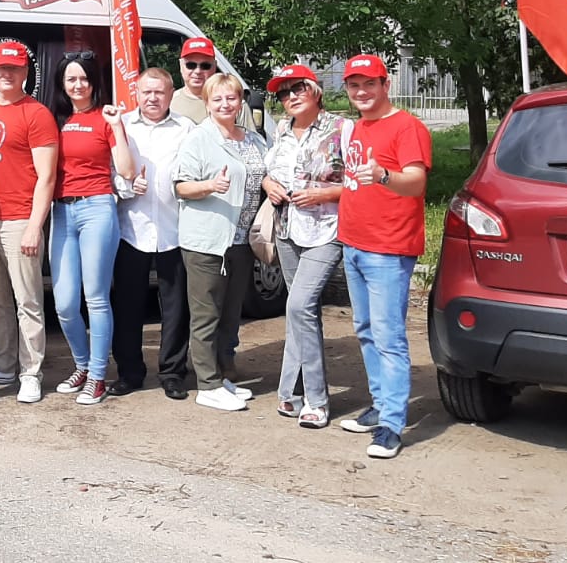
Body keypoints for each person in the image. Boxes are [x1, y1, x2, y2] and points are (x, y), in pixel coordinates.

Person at [336, 53, 432, 459]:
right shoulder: (359, 126)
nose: (362, 91)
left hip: (388, 248)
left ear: (385, 84)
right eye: (354, 85)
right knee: (366, 329)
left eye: (369, 84)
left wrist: (383, 176)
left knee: (390, 337)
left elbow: (416, 183)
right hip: (354, 243)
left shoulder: (407, 126)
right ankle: (380, 406)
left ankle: (393, 424)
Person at [0, 41, 59, 404]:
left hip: (21, 219)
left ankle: (30, 372)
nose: (6, 73)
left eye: (14, 69)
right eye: (1, 68)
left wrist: (36, 225)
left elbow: (47, 177)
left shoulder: (36, 114)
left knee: (28, 301)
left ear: (25, 73)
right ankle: (2, 363)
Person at [173, 72, 269, 412]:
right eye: (218, 99)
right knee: (205, 314)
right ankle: (207, 384)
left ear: (240, 100)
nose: (225, 104)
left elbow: (265, 175)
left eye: (231, 98)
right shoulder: (199, 139)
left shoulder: (254, 140)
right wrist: (209, 186)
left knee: (230, 315)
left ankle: (222, 375)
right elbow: (181, 186)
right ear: (207, 104)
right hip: (207, 241)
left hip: (242, 240)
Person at [260, 63, 346, 429]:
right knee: (299, 312)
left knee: (299, 306)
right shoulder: (281, 130)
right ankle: (290, 392)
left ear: (316, 91)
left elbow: (361, 184)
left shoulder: (342, 129)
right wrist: (268, 185)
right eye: (283, 92)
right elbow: (269, 172)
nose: (290, 97)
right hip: (287, 230)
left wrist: (324, 193)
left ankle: (317, 399)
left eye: (298, 89)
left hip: (326, 231)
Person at [48, 52, 135, 406]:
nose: (78, 85)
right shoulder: (55, 119)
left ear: (94, 82)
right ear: (62, 84)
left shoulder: (105, 118)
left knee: (95, 297)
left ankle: (98, 376)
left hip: (97, 207)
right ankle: (82, 365)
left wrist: (116, 126)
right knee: (65, 303)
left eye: (83, 78)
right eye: (71, 79)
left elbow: (127, 171)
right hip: (61, 212)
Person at [110, 67, 196, 399]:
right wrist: (128, 186)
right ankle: (129, 372)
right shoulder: (123, 126)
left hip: (175, 230)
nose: (153, 98)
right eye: (146, 91)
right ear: (137, 94)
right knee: (128, 305)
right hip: (131, 229)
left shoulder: (186, 128)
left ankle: (173, 372)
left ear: (171, 94)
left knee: (176, 307)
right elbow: (108, 173)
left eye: (159, 92)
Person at [172, 37, 217, 123]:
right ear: (181, 66)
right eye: (191, 65)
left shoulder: (232, 103)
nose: (198, 71)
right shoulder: (168, 103)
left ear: (214, 66)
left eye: (205, 66)